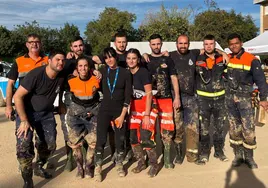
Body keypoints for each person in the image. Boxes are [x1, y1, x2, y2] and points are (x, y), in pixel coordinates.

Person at [13, 50, 66, 188]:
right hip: (27, 113)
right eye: (57, 60)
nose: (60, 62)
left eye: (62, 60)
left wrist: (60, 104)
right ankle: (28, 181)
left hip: (46, 114)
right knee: (24, 146)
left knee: (50, 145)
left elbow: (61, 89)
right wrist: (24, 120)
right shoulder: (36, 74)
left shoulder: (61, 76)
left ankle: (39, 166)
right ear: (49, 60)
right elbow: (17, 96)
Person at [226, 33, 268, 169]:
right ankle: (238, 156)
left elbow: (261, 81)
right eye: (231, 44)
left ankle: (249, 158)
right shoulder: (228, 59)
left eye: (236, 43)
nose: (234, 46)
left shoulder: (251, 59)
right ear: (228, 46)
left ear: (241, 43)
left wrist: (263, 99)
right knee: (234, 129)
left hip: (246, 100)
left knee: (248, 129)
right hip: (230, 100)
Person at [93, 32, 133, 162]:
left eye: (111, 57)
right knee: (101, 138)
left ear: (115, 57)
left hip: (119, 110)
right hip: (104, 109)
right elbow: (87, 62)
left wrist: (122, 115)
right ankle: (98, 166)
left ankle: (120, 164)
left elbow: (128, 96)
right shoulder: (103, 71)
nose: (109, 60)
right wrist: (94, 71)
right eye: (106, 58)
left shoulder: (125, 73)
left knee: (120, 138)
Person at [62, 36, 100, 172]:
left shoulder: (89, 59)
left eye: (80, 45)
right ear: (71, 47)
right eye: (75, 46)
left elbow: (95, 74)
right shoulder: (66, 61)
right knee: (70, 133)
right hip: (71, 99)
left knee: (88, 133)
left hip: (87, 99)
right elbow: (62, 81)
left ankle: (87, 163)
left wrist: (94, 70)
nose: (78, 48)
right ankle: (70, 160)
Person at [146, 34, 180, 169]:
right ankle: (151, 159)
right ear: (149, 45)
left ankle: (167, 159)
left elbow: (173, 78)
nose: (156, 46)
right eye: (153, 44)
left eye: (158, 44)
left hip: (166, 99)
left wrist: (176, 97)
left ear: (161, 44)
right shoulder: (145, 60)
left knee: (167, 130)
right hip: (150, 100)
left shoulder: (168, 59)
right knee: (149, 130)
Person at [126, 48, 159, 177]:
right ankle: (141, 162)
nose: (131, 61)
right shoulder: (126, 72)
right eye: (129, 58)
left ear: (138, 59)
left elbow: (149, 94)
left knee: (146, 136)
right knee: (133, 137)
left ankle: (154, 164)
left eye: (134, 58)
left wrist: (146, 115)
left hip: (148, 106)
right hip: (135, 107)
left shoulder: (143, 72)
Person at [195, 34, 228, 164]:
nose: (209, 46)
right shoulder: (197, 59)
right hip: (203, 100)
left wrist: (223, 52)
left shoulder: (222, 58)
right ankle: (204, 152)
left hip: (220, 99)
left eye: (211, 44)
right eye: (206, 44)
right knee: (204, 127)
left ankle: (219, 151)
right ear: (203, 45)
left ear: (215, 45)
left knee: (219, 127)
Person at [66, 57, 100, 179]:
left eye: (85, 65)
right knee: (75, 143)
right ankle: (80, 168)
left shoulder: (97, 80)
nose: (83, 68)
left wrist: (94, 111)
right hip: (75, 116)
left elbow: (101, 98)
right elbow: (66, 97)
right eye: (80, 66)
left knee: (93, 143)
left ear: (89, 68)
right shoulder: (71, 81)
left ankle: (88, 167)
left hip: (92, 116)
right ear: (77, 69)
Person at [5, 33, 48, 120]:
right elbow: (10, 84)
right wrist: (8, 106)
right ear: (27, 45)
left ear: (41, 44)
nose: (34, 44)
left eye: (37, 42)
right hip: (23, 106)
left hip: (43, 107)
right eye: (31, 42)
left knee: (48, 134)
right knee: (24, 133)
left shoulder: (48, 60)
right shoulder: (19, 61)